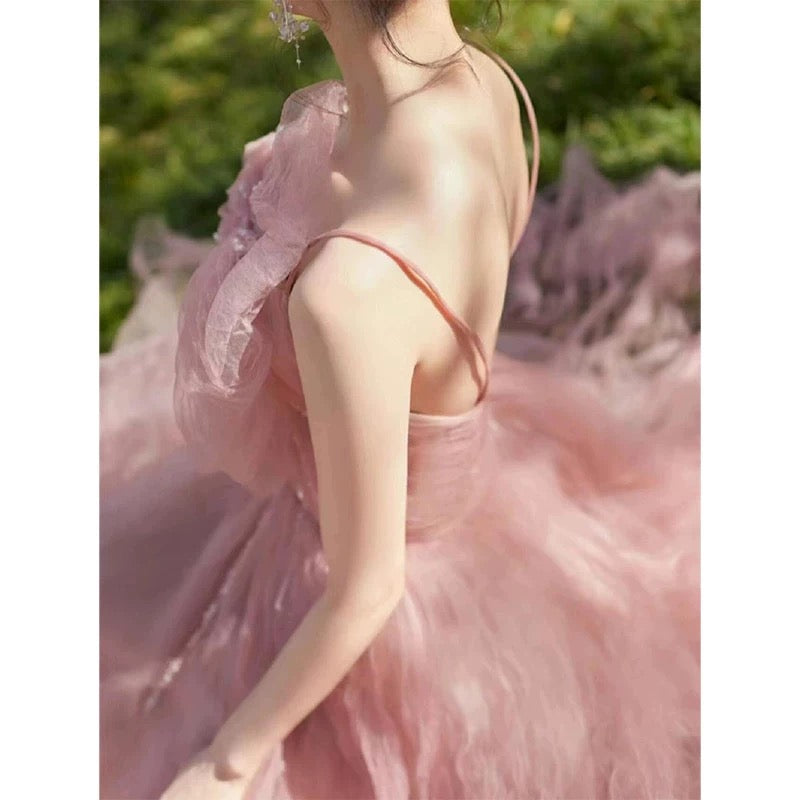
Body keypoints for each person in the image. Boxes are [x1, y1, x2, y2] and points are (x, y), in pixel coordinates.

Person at [100, 1, 700, 798]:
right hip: (458, 480)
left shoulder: (348, 294)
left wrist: (227, 759)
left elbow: (367, 588)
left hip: (363, 600)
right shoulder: (480, 81)